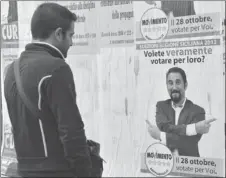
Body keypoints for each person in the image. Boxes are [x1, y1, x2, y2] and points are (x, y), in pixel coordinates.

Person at [4, 3, 92, 177]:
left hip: (24, 170)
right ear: (58, 34)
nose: (72, 43)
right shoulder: (56, 68)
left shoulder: (10, 70)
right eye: (71, 35)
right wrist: (85, 171)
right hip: (56, 171)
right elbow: (72, 131)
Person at [147, 67, 216, 157]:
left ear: (185, 85)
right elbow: (164, 127)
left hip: (190, 166)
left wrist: (160, 135)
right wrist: (193, 128)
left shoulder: (198, 111)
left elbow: (189, 143)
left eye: (178, 82)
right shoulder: (161, 106)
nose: (174, 87)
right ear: (167, 85)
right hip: (165, 165)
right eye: (170, 83)